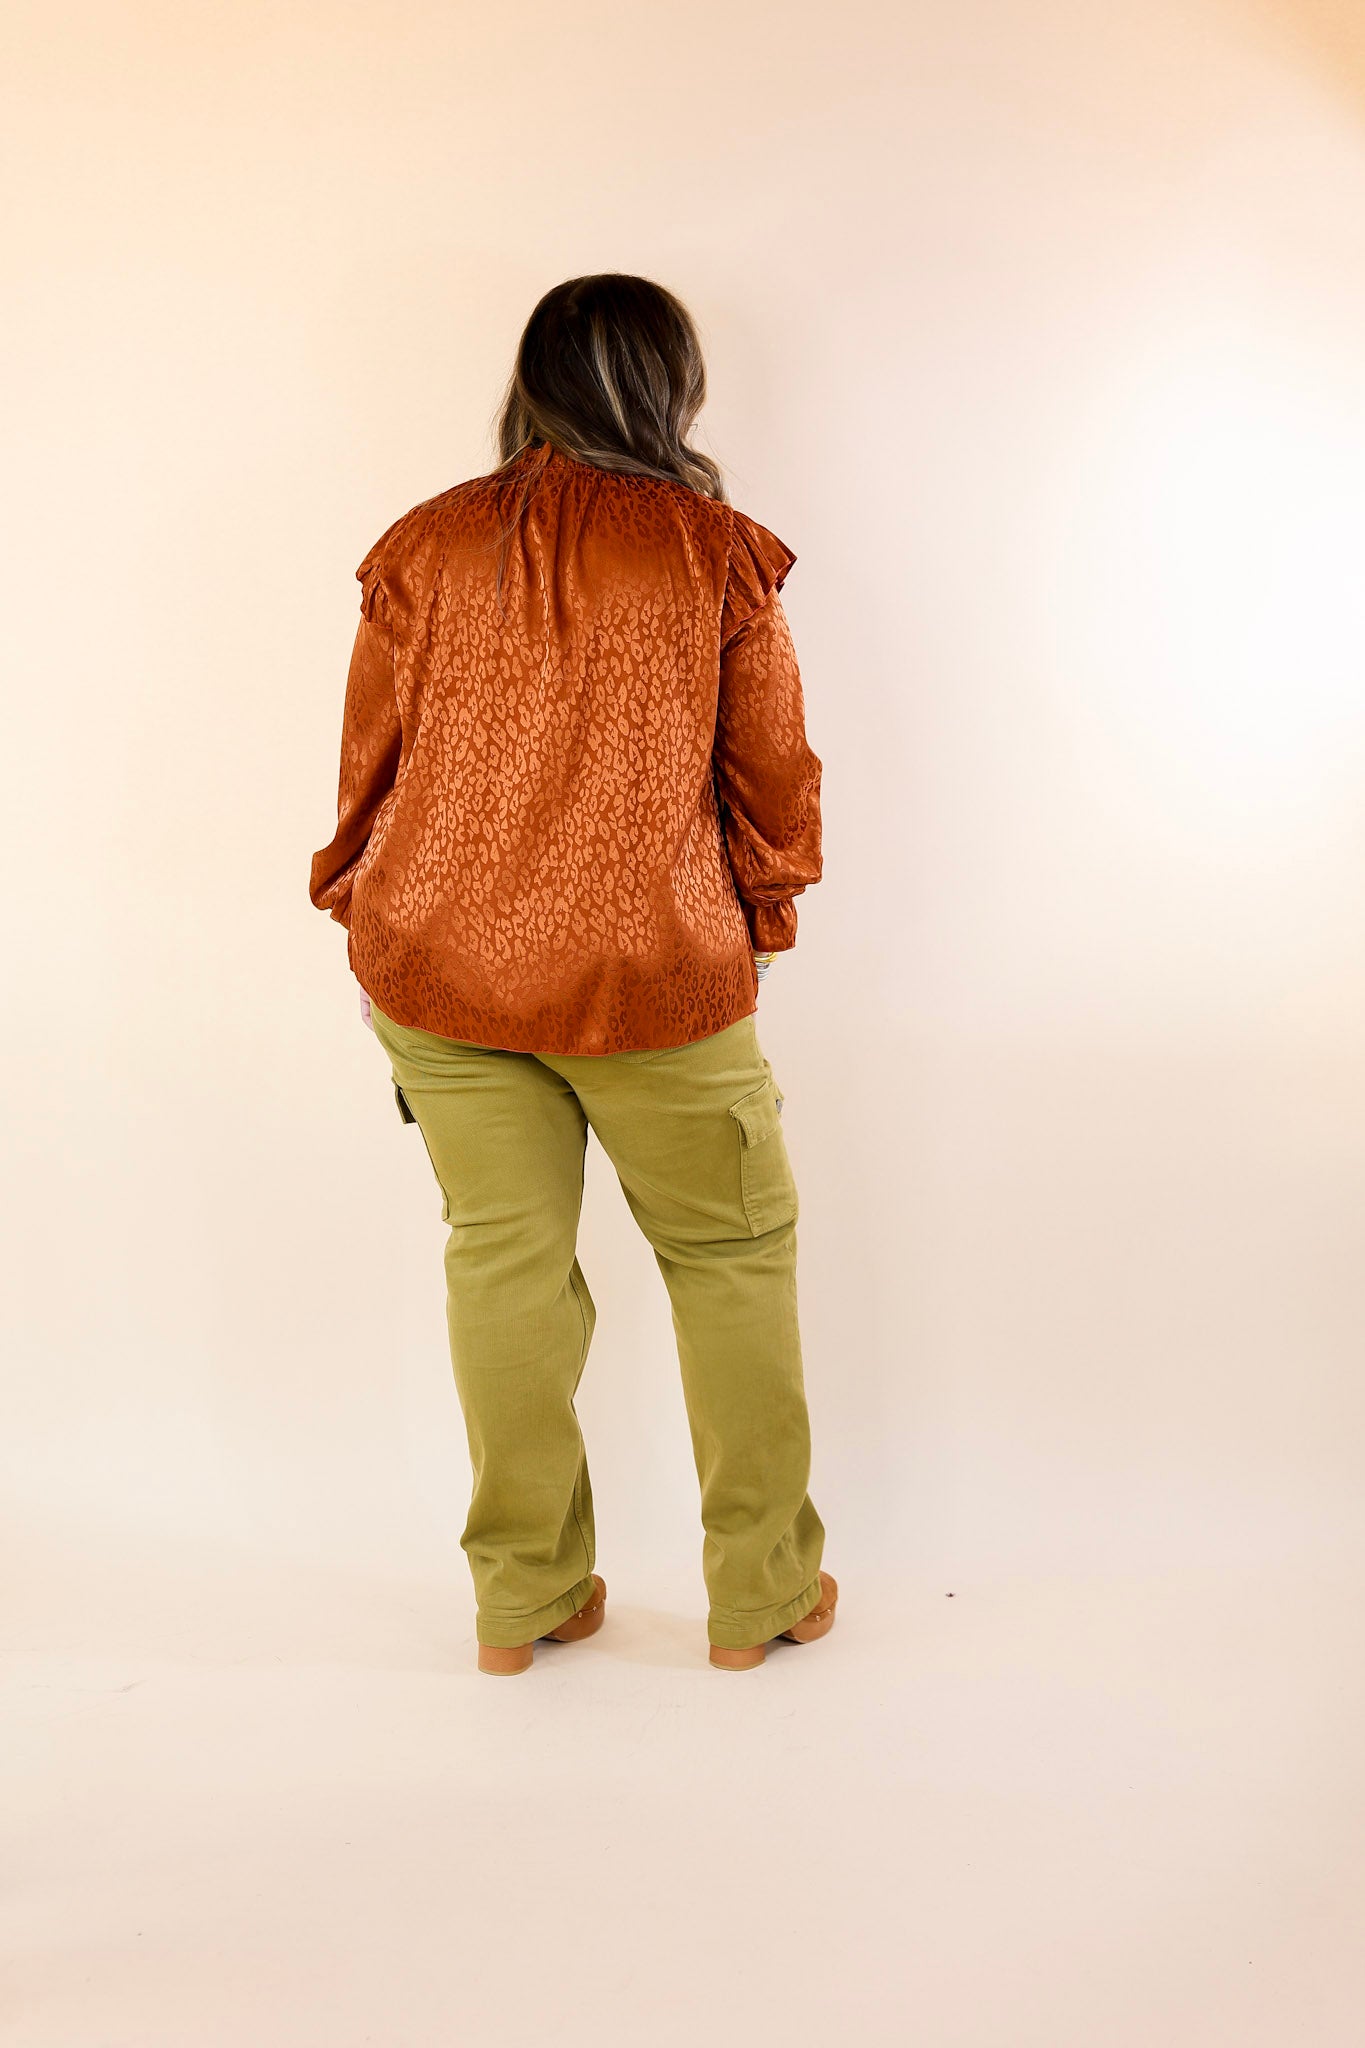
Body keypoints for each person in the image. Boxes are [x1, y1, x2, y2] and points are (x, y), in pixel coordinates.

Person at [308, 272, 836, 1675]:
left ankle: (522, 1600)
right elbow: (770, 774)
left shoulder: (422, 546)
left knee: (505, 1269)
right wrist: (759, 917)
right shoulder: (714, 553)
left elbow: (368, 760)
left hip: (439, 974)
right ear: (672, 390)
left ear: (531, 384)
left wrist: (367, 906)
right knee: (729, 1262)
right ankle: (761, 1597)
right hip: (656, 978)